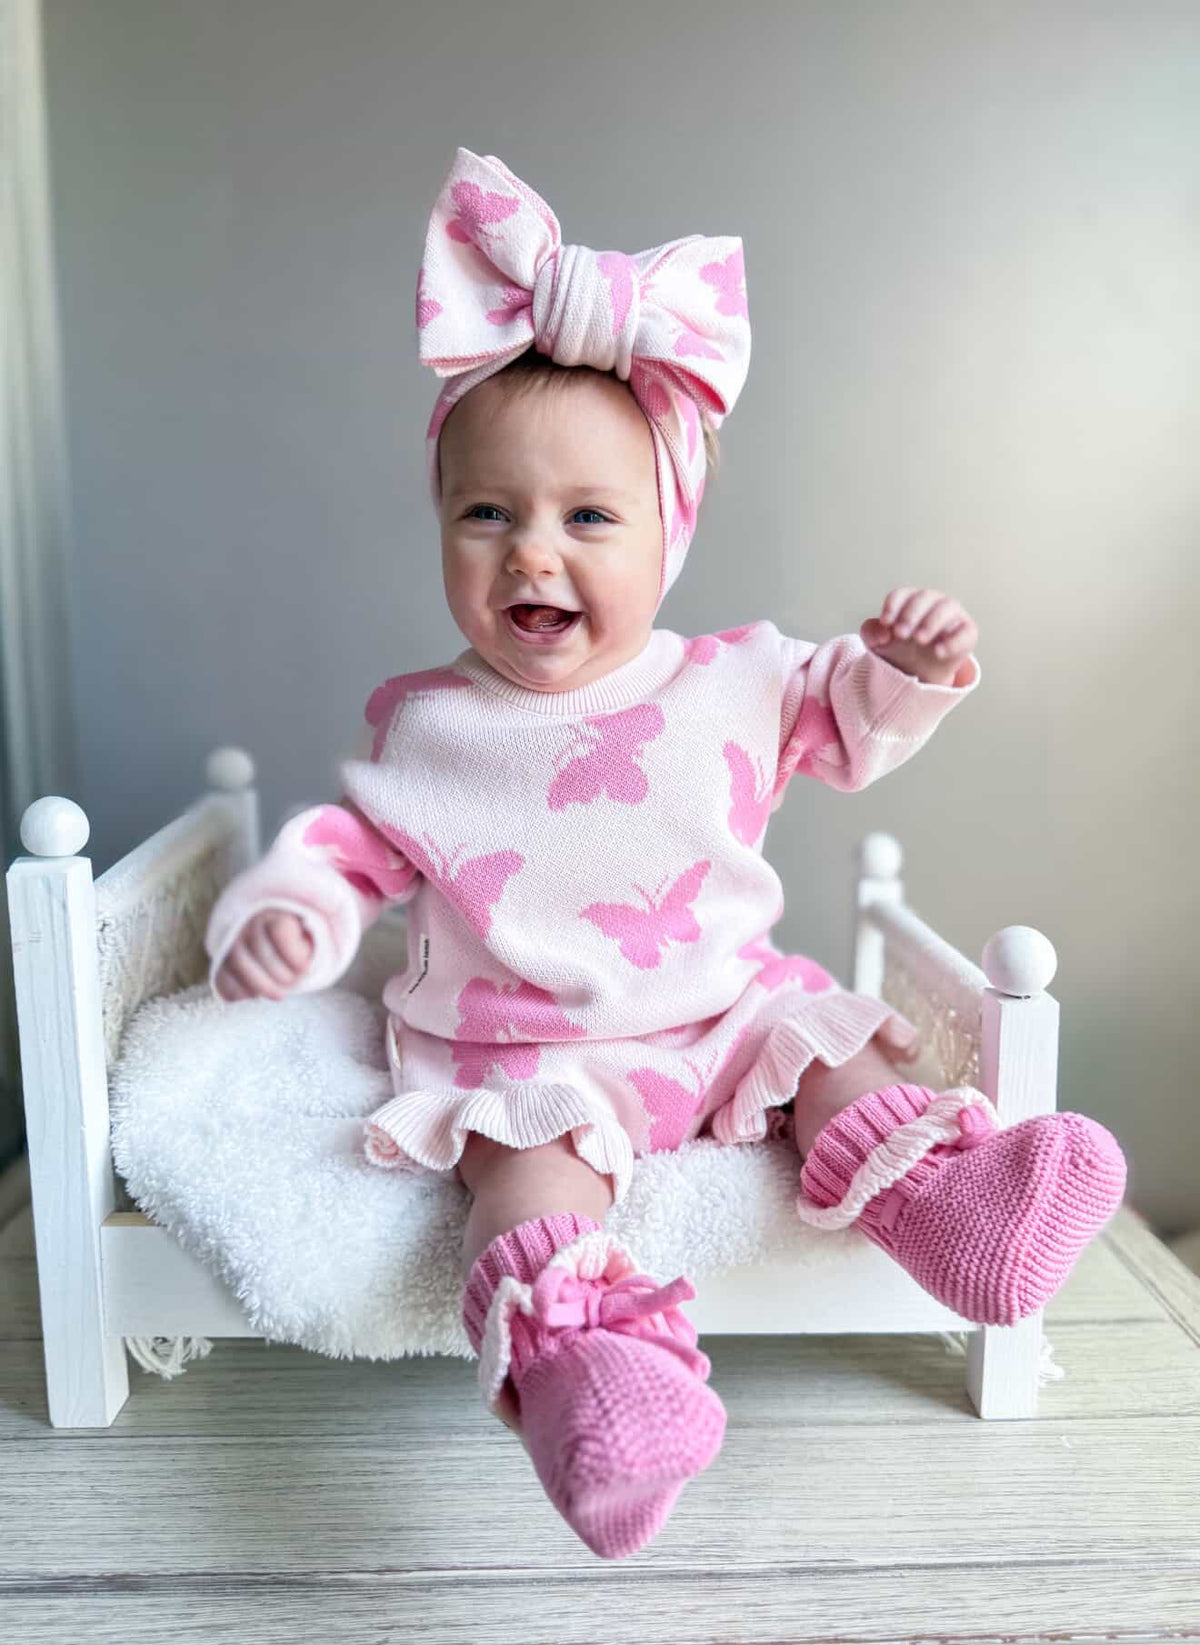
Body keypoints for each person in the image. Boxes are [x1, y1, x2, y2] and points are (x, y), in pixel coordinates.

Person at [204, 147, 1127, 1561]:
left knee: (828, 1048)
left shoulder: (737, 681)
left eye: (588, 517)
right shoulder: (429, 722)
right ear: (441, 526)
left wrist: (905, 664)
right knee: (525, 1176)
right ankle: (594, 1378)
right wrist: (294, 907)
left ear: (667, 533)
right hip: (530, 1054)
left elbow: (849, 719)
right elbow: (355, 848)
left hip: (718, 1009)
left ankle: (955, 1208)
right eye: (486, 514)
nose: (533, 555)